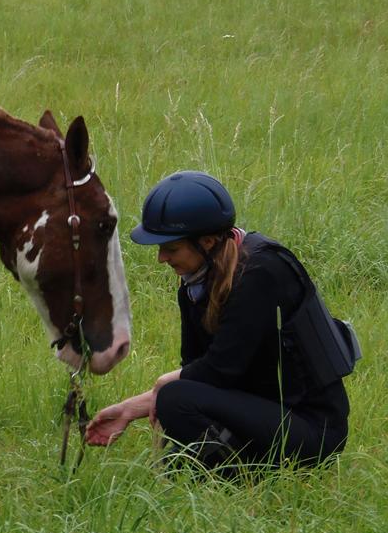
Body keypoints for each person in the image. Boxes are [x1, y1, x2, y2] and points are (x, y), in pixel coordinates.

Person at [85, 171, 352, 473]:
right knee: (177, 453)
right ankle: (231, 472)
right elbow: (198, 371)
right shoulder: (195, 285)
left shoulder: (262, 273)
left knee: (176, 402)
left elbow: (220, 370)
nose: (161, 258)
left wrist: (160, 389)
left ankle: (246, 479)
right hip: (267, 412)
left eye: (170, 248)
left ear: (208, 242)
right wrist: (129, 409)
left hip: (313, 430)